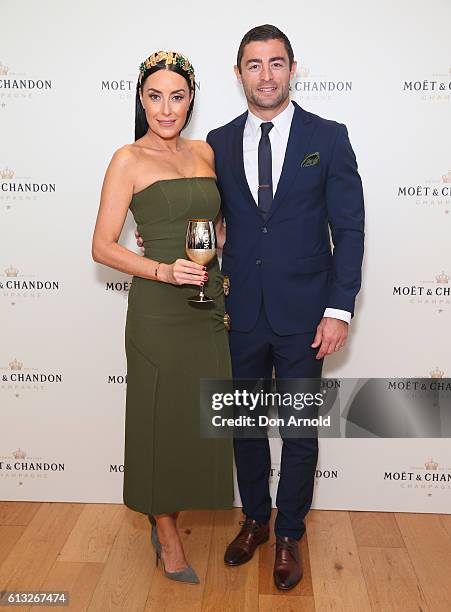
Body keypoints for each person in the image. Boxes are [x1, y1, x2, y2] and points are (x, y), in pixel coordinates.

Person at [136, 25, 365, 591]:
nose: (266, 75)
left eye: (276, 63)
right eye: (254, 65)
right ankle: (256, 520)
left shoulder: (329, 137)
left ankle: (290, 532)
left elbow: (351, 230)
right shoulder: (215, 141)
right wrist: (159, 244)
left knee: (299, 429)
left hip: (306, 315)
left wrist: (339, 309)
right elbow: (211, 217)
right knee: (242, 425)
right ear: (238, 74)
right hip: (234, 312)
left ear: (293, 68)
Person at [92, 50, 233, 585]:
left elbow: (215, 227)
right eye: (154, 96)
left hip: (206, 303)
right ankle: (166, 529)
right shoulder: (127, 158)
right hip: (158, 307)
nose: (165, 108)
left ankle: (179, 509)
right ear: (141, 99)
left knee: (194, 418)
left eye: (176, 96)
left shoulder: (205, 152)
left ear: (191, 98)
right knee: (157, 419)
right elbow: (103, 247)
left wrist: (214, 250)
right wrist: (160, 269)